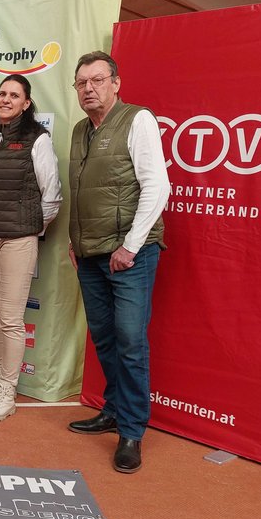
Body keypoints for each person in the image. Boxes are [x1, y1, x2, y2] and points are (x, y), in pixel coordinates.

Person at [66, 51, 171, 474]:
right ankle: (113, 409)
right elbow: (84, 190)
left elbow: (157, 186)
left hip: (130, 255)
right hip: (89, 254)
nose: (88, 89)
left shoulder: (137, 119)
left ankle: (131, 431)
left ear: (115, 83)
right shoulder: (80, 130)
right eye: (81, 83)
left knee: (130, 342)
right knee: (105, 339)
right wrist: (75, 241)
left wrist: (130, 245)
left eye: (97, 80)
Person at [0, 74, 63, 423]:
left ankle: (8, 391)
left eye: (14, 95)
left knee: (10, 318)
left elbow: (51, 194)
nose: (6, 99)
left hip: (18, 238)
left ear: (26, 103)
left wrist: (32, 228)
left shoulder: (37, 138)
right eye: (2, 93)